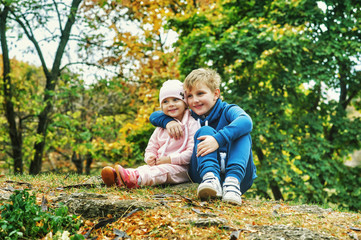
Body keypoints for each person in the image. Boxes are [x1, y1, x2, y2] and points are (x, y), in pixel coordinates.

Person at [149, 68, 257, 205]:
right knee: (205, 130)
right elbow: (154, 116)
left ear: (215, 94)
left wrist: (218, 140)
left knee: (243, 132)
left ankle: (232, 182)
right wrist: (167, 121)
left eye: (200, 93)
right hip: (202, 175)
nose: (195, 100)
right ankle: (211, 178)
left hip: (240, 177)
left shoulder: (228, 110)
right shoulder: (190, 116)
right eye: (189, 96)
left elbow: (246, 121)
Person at [101, 80, 199, 189]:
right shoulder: (161, 127)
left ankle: (134, 179)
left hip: (181, 168)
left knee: (160, 172)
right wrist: (149, 158)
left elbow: (192, 152)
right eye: (165, 102)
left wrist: (170, 159)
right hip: (159, 164)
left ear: (185, 102)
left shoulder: (191, 124)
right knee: (144, 168)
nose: (170, 104)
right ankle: (117, 177)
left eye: (175, 100)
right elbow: (151, 147)